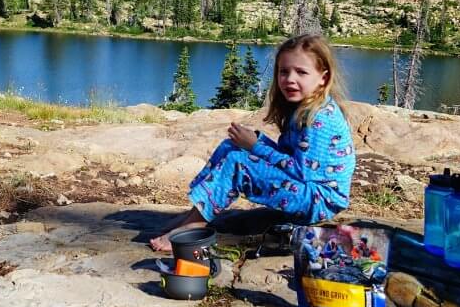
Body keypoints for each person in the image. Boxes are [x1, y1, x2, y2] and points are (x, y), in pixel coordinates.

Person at [150, 34, 355, 252]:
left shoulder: (320, 118)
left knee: (238, 163)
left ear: (323, 78)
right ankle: (198, 210)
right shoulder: (303, 107)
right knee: (232, 147)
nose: (290, 79)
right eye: (284, 71)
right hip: (307, 188)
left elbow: (302, 172)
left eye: (301, 72)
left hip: (318, 200)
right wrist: (256, 142)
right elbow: (294, 160)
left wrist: (256, 147)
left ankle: (195, 224)